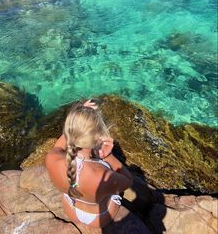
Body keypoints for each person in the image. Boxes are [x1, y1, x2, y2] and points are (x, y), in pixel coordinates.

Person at [45, 99, 151, 231]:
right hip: (98, 218)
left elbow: (62, 143)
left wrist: (77, 120)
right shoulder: (102, 175)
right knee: (115, 192)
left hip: (70, 209)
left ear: (69, 130)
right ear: (97, 138)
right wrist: (107, 156)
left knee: (74, 185)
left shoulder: (52, 158)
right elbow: (128, 181)